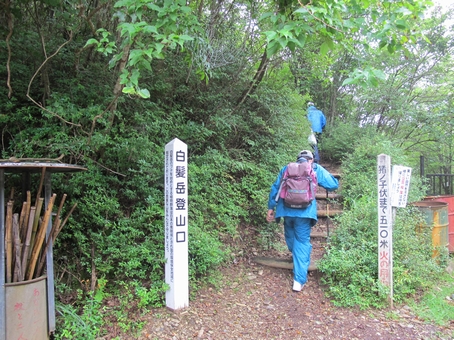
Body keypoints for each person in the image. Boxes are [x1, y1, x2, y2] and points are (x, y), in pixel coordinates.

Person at [266, 150, 338, 292]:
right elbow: (333, 185)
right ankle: (299, 280)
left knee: (291, 238)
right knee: (302, 242)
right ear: (311, 159)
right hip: (305, 212)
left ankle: (299, 260)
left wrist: (270, 208)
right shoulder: (315, 169)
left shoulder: (286, 168)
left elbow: (275, 188)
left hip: (286, 210)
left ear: (298, 159)